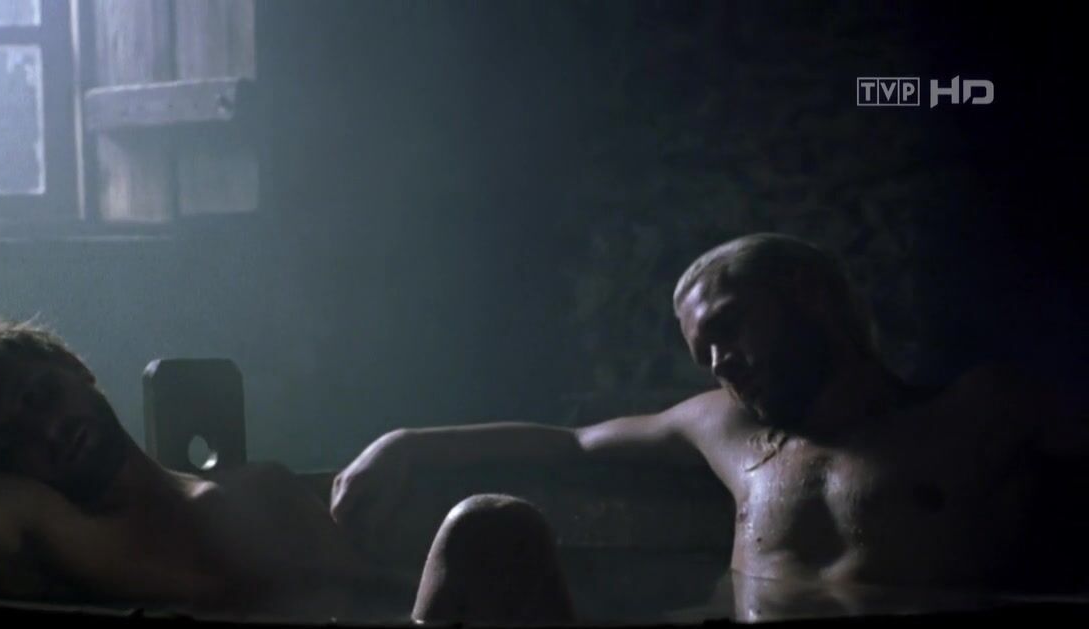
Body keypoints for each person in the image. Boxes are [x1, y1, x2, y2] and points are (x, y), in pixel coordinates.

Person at [330, 233, 1089, 621]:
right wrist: (403, 442)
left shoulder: (976, 412)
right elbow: (572, 443)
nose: (722, 363)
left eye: (729, 327)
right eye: (705, 354)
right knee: (484, 527)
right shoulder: (726, 428)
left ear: (809, 296)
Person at [0, 317, 574, 624]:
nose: (46, 428)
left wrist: (409, 442)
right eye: (12, 440)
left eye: (41, 395)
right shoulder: (50, 528)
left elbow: (574, 448)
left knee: (496, 530)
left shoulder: (263, 487)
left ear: (76, 368)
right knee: (488, 528)